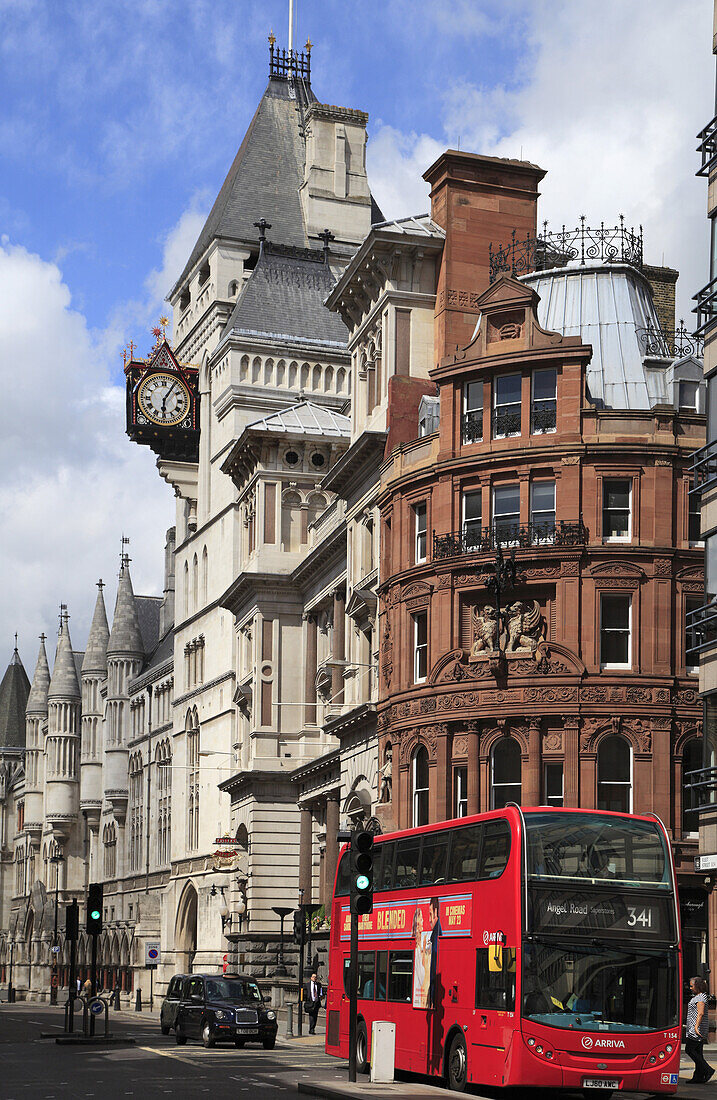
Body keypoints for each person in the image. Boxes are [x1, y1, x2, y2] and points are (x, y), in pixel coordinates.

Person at [686, 976, 714, 1084]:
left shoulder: (701, 998)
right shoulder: (698, 996)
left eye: (692, 986)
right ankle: (698, 1076)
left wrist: (696, 1027)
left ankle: (708, 1070)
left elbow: (701, 1013)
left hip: (696, 1030)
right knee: (698, 1053)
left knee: (689, 1050)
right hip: (695, 1029)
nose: (690, 988)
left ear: (697, 986)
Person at [427, 897, 442, 1009]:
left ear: (436, 912)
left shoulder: (437, 935)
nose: (429, 919)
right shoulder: (436, 933)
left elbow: (434, 971)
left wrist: (432, 998)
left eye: (430, 914)